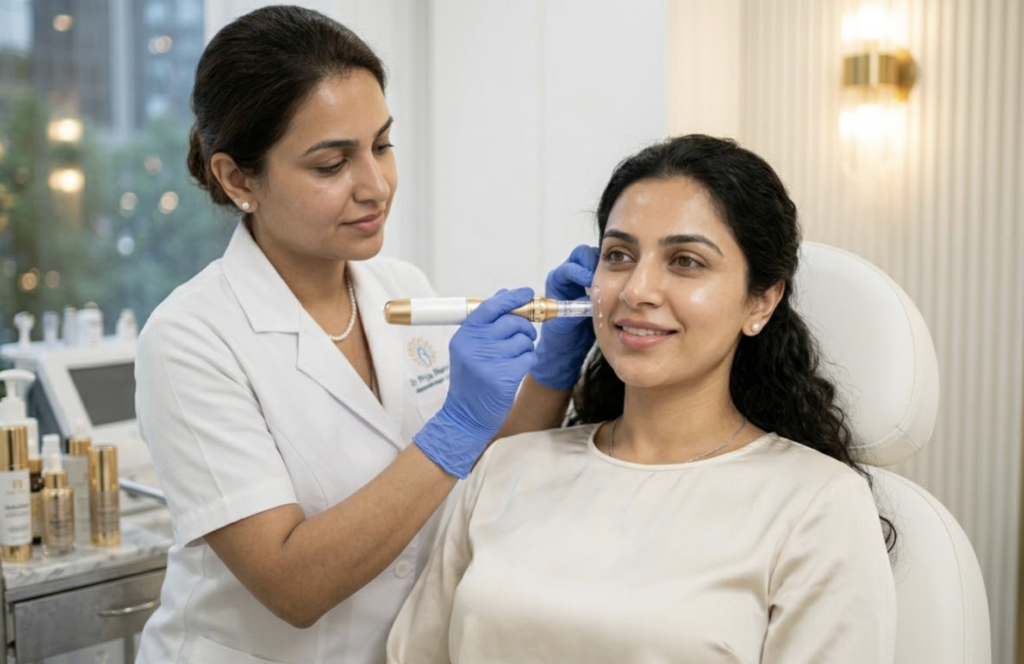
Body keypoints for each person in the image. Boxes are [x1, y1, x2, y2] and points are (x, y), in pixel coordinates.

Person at [133, 6, 595, 663]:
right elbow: (291, 584)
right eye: (331, 164)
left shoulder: (401, 290)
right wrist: (456, 425)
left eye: (382, 144)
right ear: (238, 179)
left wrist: (549, 375)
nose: (376, 186)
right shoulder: (191, 338)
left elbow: (478, 475)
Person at [386, 134, 898, 663]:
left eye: (686, 261)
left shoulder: (818, 505)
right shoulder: (507, 465)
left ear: (761, 301)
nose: (636, 290)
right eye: (619, 255)